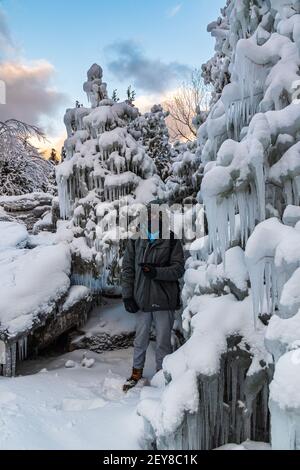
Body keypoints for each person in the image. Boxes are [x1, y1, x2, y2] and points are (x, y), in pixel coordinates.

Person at [121, 200, 185, 392]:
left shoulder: (172, 240)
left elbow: (178, 269)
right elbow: (128, 269)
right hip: (141, 300)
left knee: (163, 341)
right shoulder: (135, 239)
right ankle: (136, 372)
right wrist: (127, 296)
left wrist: (156, 272)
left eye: (157, 214)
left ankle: (161, 374)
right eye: (150, 214)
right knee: (140, 339)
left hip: (164, 300)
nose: (153, 217)